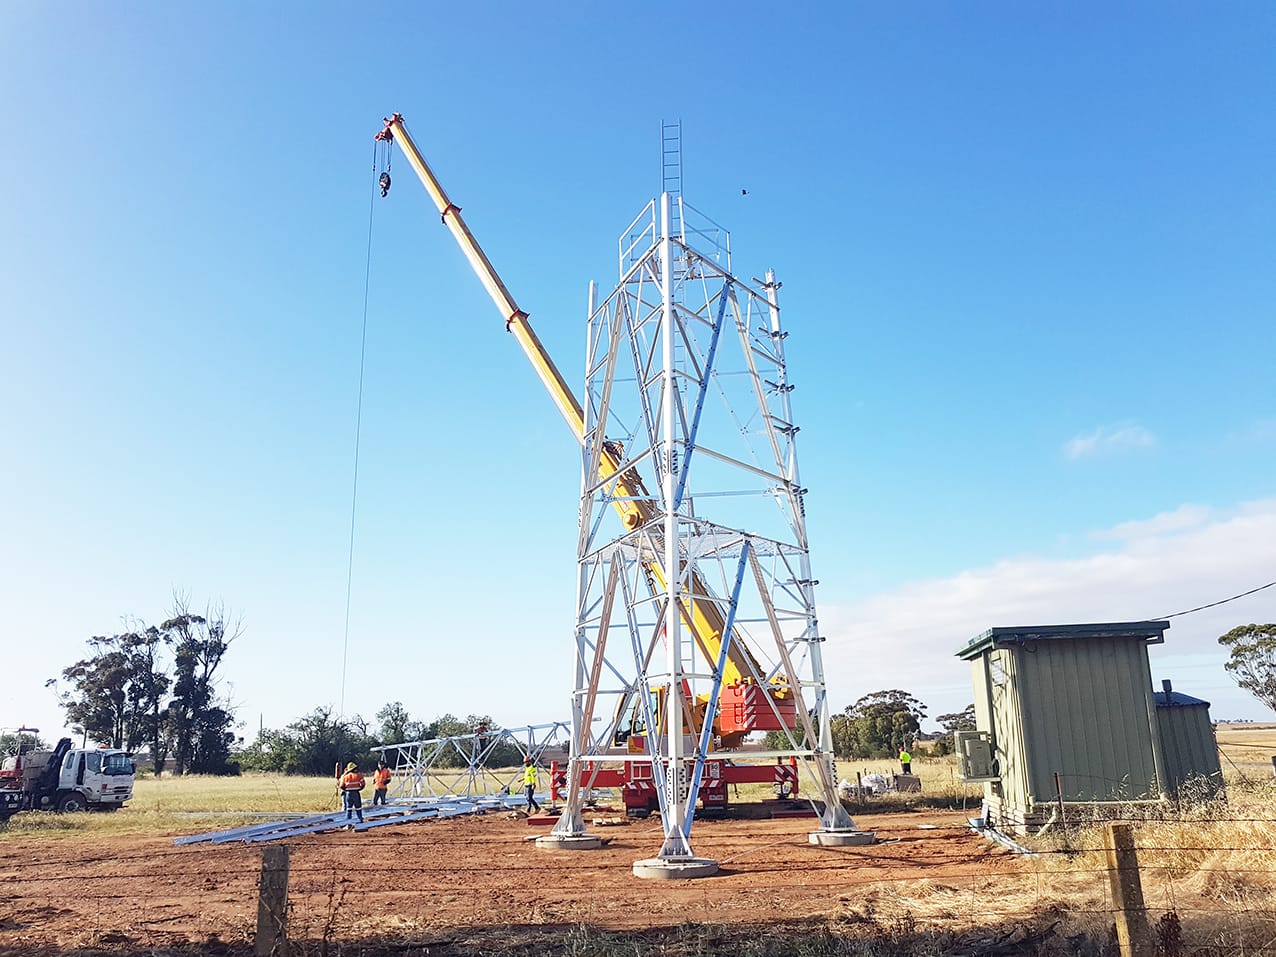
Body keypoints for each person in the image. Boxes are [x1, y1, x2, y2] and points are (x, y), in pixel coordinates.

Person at [339, 761, 366, 826]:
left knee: (349, 809)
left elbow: (341, 786)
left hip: (348, 794)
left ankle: (348, 823)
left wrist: (346, 790)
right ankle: (360, 821)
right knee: (358, 808)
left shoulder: (345, 777)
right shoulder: (359, 775)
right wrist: (359, 789)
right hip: (356, 793)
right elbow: (363, 784)